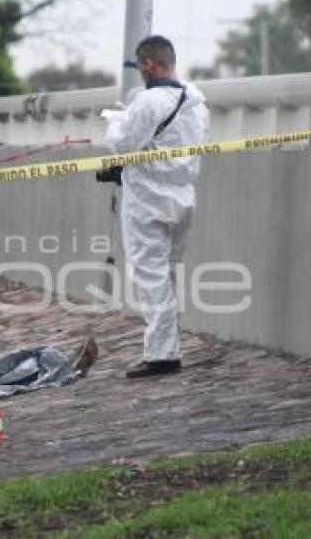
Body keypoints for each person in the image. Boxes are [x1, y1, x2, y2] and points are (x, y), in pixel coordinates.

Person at [101, 35, 210, 379]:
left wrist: (114, 123)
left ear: (149, 64)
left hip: (148, 200)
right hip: (183, 196)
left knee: (151, 276)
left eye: (139, 66)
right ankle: (168, 346)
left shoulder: (148, 102)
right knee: (168, 273)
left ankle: (162, 355)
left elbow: (124, 145)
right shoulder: (196, 103)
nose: (139, 74)